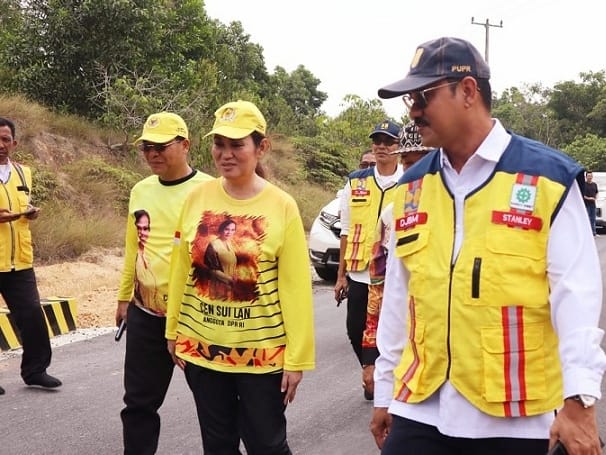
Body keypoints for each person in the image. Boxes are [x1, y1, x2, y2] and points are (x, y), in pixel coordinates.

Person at [370, 36, 606, 455]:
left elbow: (576, 298)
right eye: (410, 101)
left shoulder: (547, 179)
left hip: (514, 420)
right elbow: (399, 297)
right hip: (421, 408)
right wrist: (386, 393)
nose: (415, 110)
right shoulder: (412, 187)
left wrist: (580, 403)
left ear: (467, 92)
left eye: (424, 96)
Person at [166, 100, 315, 454]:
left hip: (263, 357)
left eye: (237, 145)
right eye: (219, 143)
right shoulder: (196, 197)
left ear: (261, 147)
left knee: (267, 445)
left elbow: (295, 288)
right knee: (218, 445)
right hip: (203, 351)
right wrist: (173, 330)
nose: (225, 154)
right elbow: (180, 269)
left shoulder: (282, 205)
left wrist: (296, 360)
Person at [116, 111, 212, 454]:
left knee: (214, 408)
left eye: (161, 146)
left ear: (185, 145)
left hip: (194, 318)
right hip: (146, 313)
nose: (153, 154)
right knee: (139, 404)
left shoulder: (210, 190)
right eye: (146, 148)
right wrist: (124, 297)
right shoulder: (140, 190)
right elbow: (133, 247)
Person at [361, 121, 433, 399]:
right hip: (404, 350)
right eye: (407, 162)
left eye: (422, 162)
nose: (413, 171)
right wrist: (371, 360)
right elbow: (377, 290)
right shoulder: (394, 215)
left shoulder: (468, 211)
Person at [334, 119, 403, 400]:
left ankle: (385, 377)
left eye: (388, 142)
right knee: (355, 329)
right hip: (360, 270)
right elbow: (346, 230)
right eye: (377, 141)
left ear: (399, 147)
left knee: (393, 329)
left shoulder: (409, 180)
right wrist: (340, 276)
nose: (381, 147)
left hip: (394, 273)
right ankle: (370, 368)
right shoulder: (356, 180)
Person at [0, 117, 61, 395]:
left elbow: (23, 206)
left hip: (20, 260)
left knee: (33, 316)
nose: (1, 145)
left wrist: (30, 212)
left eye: (5, 139)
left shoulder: (25, 172)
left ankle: (35, 370)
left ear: (15, 142)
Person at [204, 218, 238, 300]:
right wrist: (229, 279)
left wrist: (235, 275)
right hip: (218, 285)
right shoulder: (213, 245)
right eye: (227, 229)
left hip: (230, 286)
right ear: (221, 229)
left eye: (232, 230)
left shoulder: (230, 244)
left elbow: (232, 264)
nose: (229, 232)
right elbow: (212, 269)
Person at [583, 170, 599, 235]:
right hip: (586, 204)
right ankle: (586, 233)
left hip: (593, 204)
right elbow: (582, 195)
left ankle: (593, 232)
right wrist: (589, 198)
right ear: (586, 177)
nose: (590, 177)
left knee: (593, 219)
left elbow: (597, 192)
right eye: (588, 176)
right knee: (587, 219)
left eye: (591, 176)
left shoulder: (594, 184)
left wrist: (596, 197)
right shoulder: (584, 184)